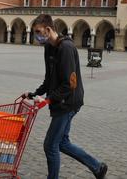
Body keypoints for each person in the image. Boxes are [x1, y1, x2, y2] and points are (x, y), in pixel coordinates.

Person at [22, 14, 108, 179]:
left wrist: (48, 100)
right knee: (62, 143)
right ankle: (98, 168)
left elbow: (70, 84)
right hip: (60, 100)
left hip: (69, 102)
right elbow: (49, 78)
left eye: (38, 32)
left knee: (50, 145)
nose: (37, 36)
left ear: (48, 29)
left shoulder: (66, 48)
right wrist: (35, 93)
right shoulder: (48, 47)